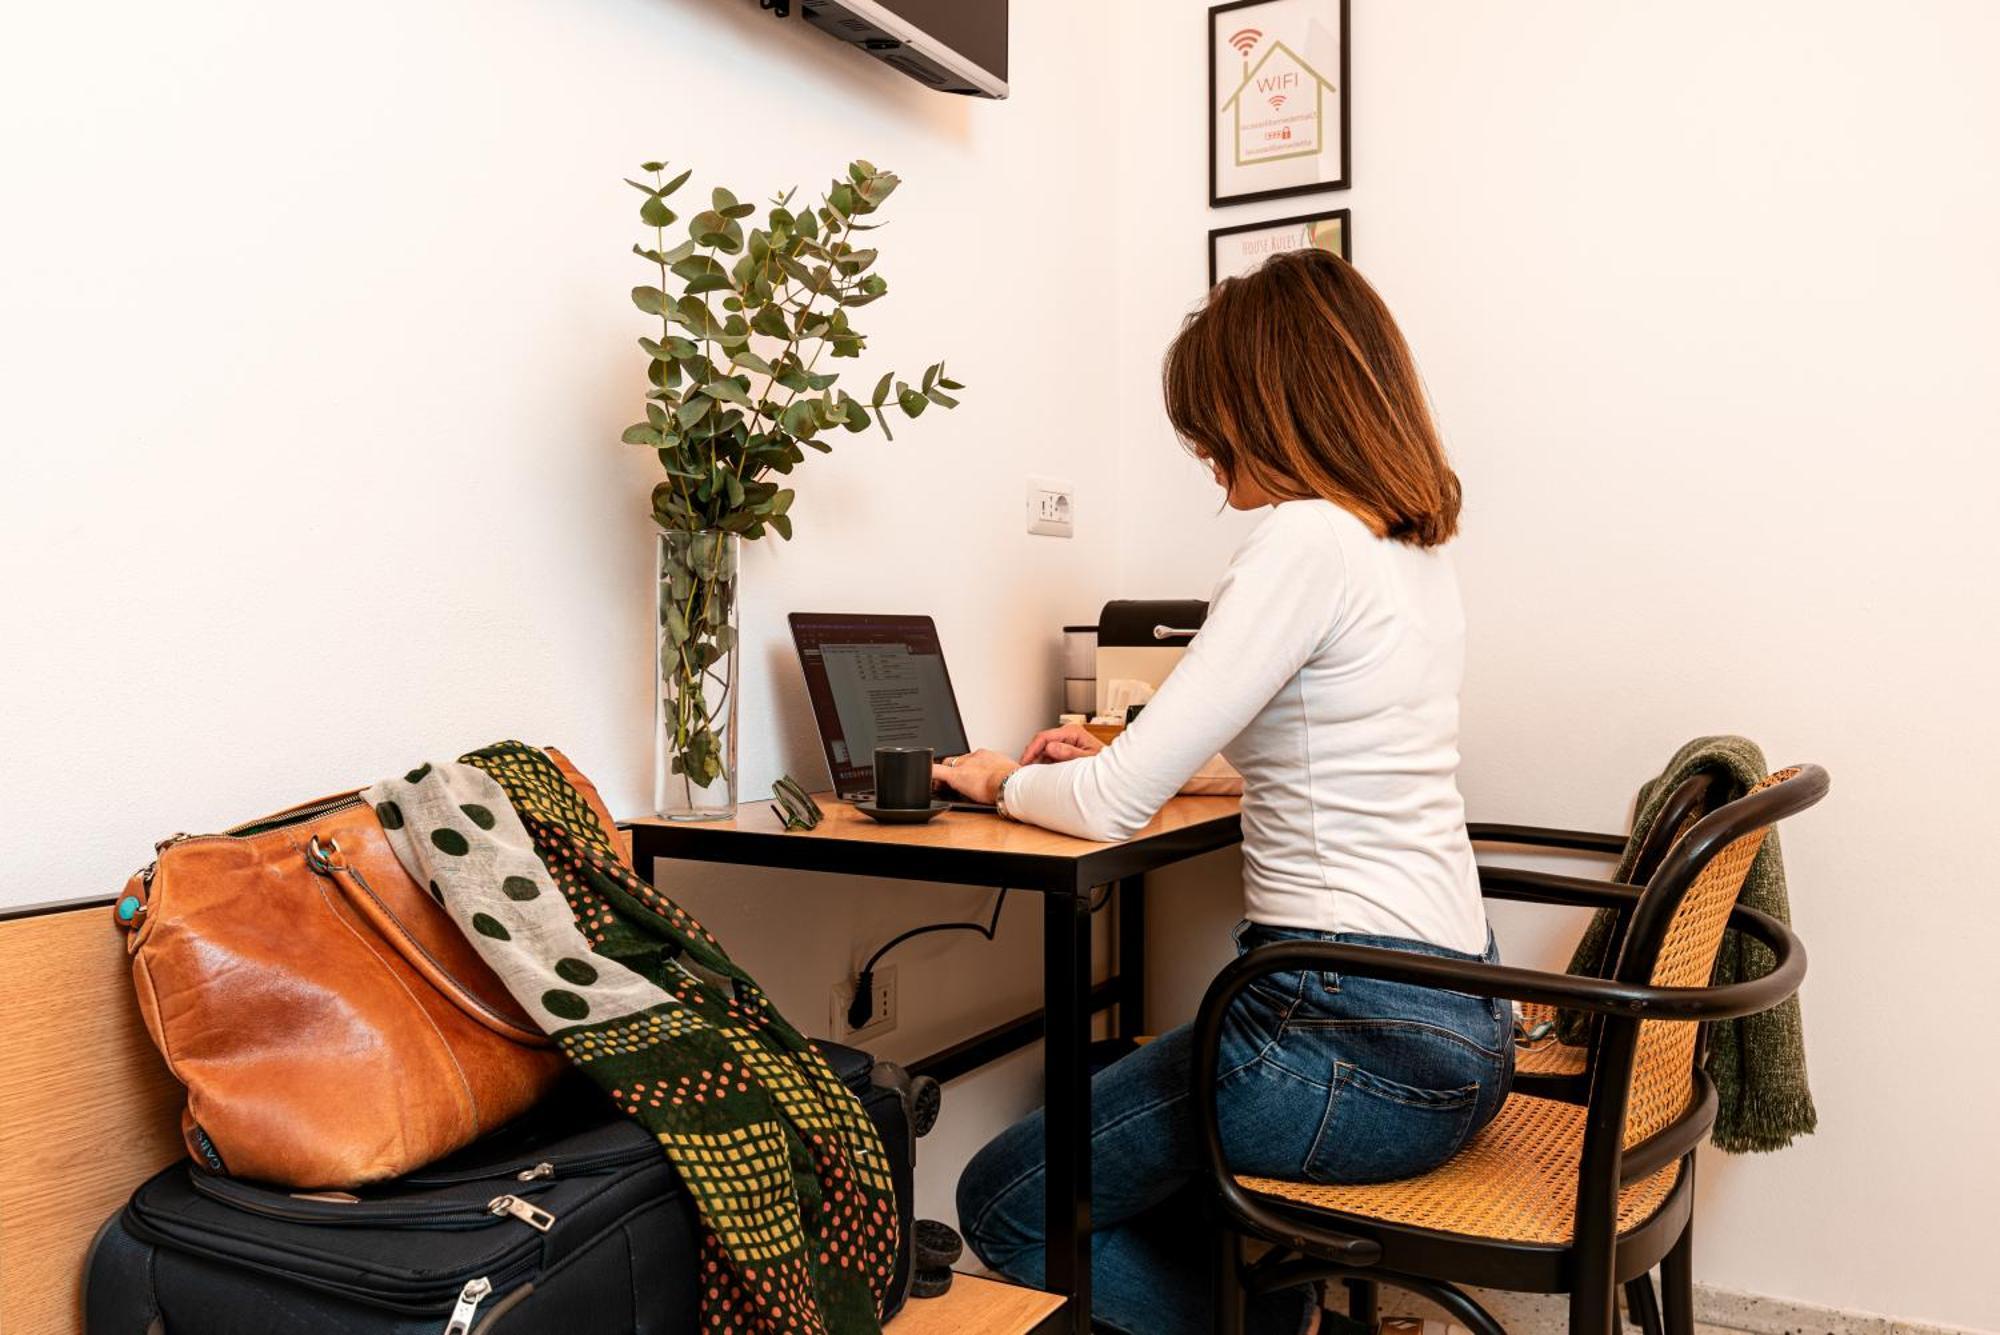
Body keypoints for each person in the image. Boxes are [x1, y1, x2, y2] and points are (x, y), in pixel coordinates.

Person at [931, 248, 1512, 1335]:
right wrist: (1185, 765)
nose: (1203, 457)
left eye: (1209, 423)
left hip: (1340, 1037)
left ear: (1267, 406)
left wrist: (999, 779)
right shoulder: (1406, 552)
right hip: (1459, 1029)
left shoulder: (1303, 539)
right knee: (1125, 1122)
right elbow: (1338, 744)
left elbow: (1105, 810)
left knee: (1007, 1205)